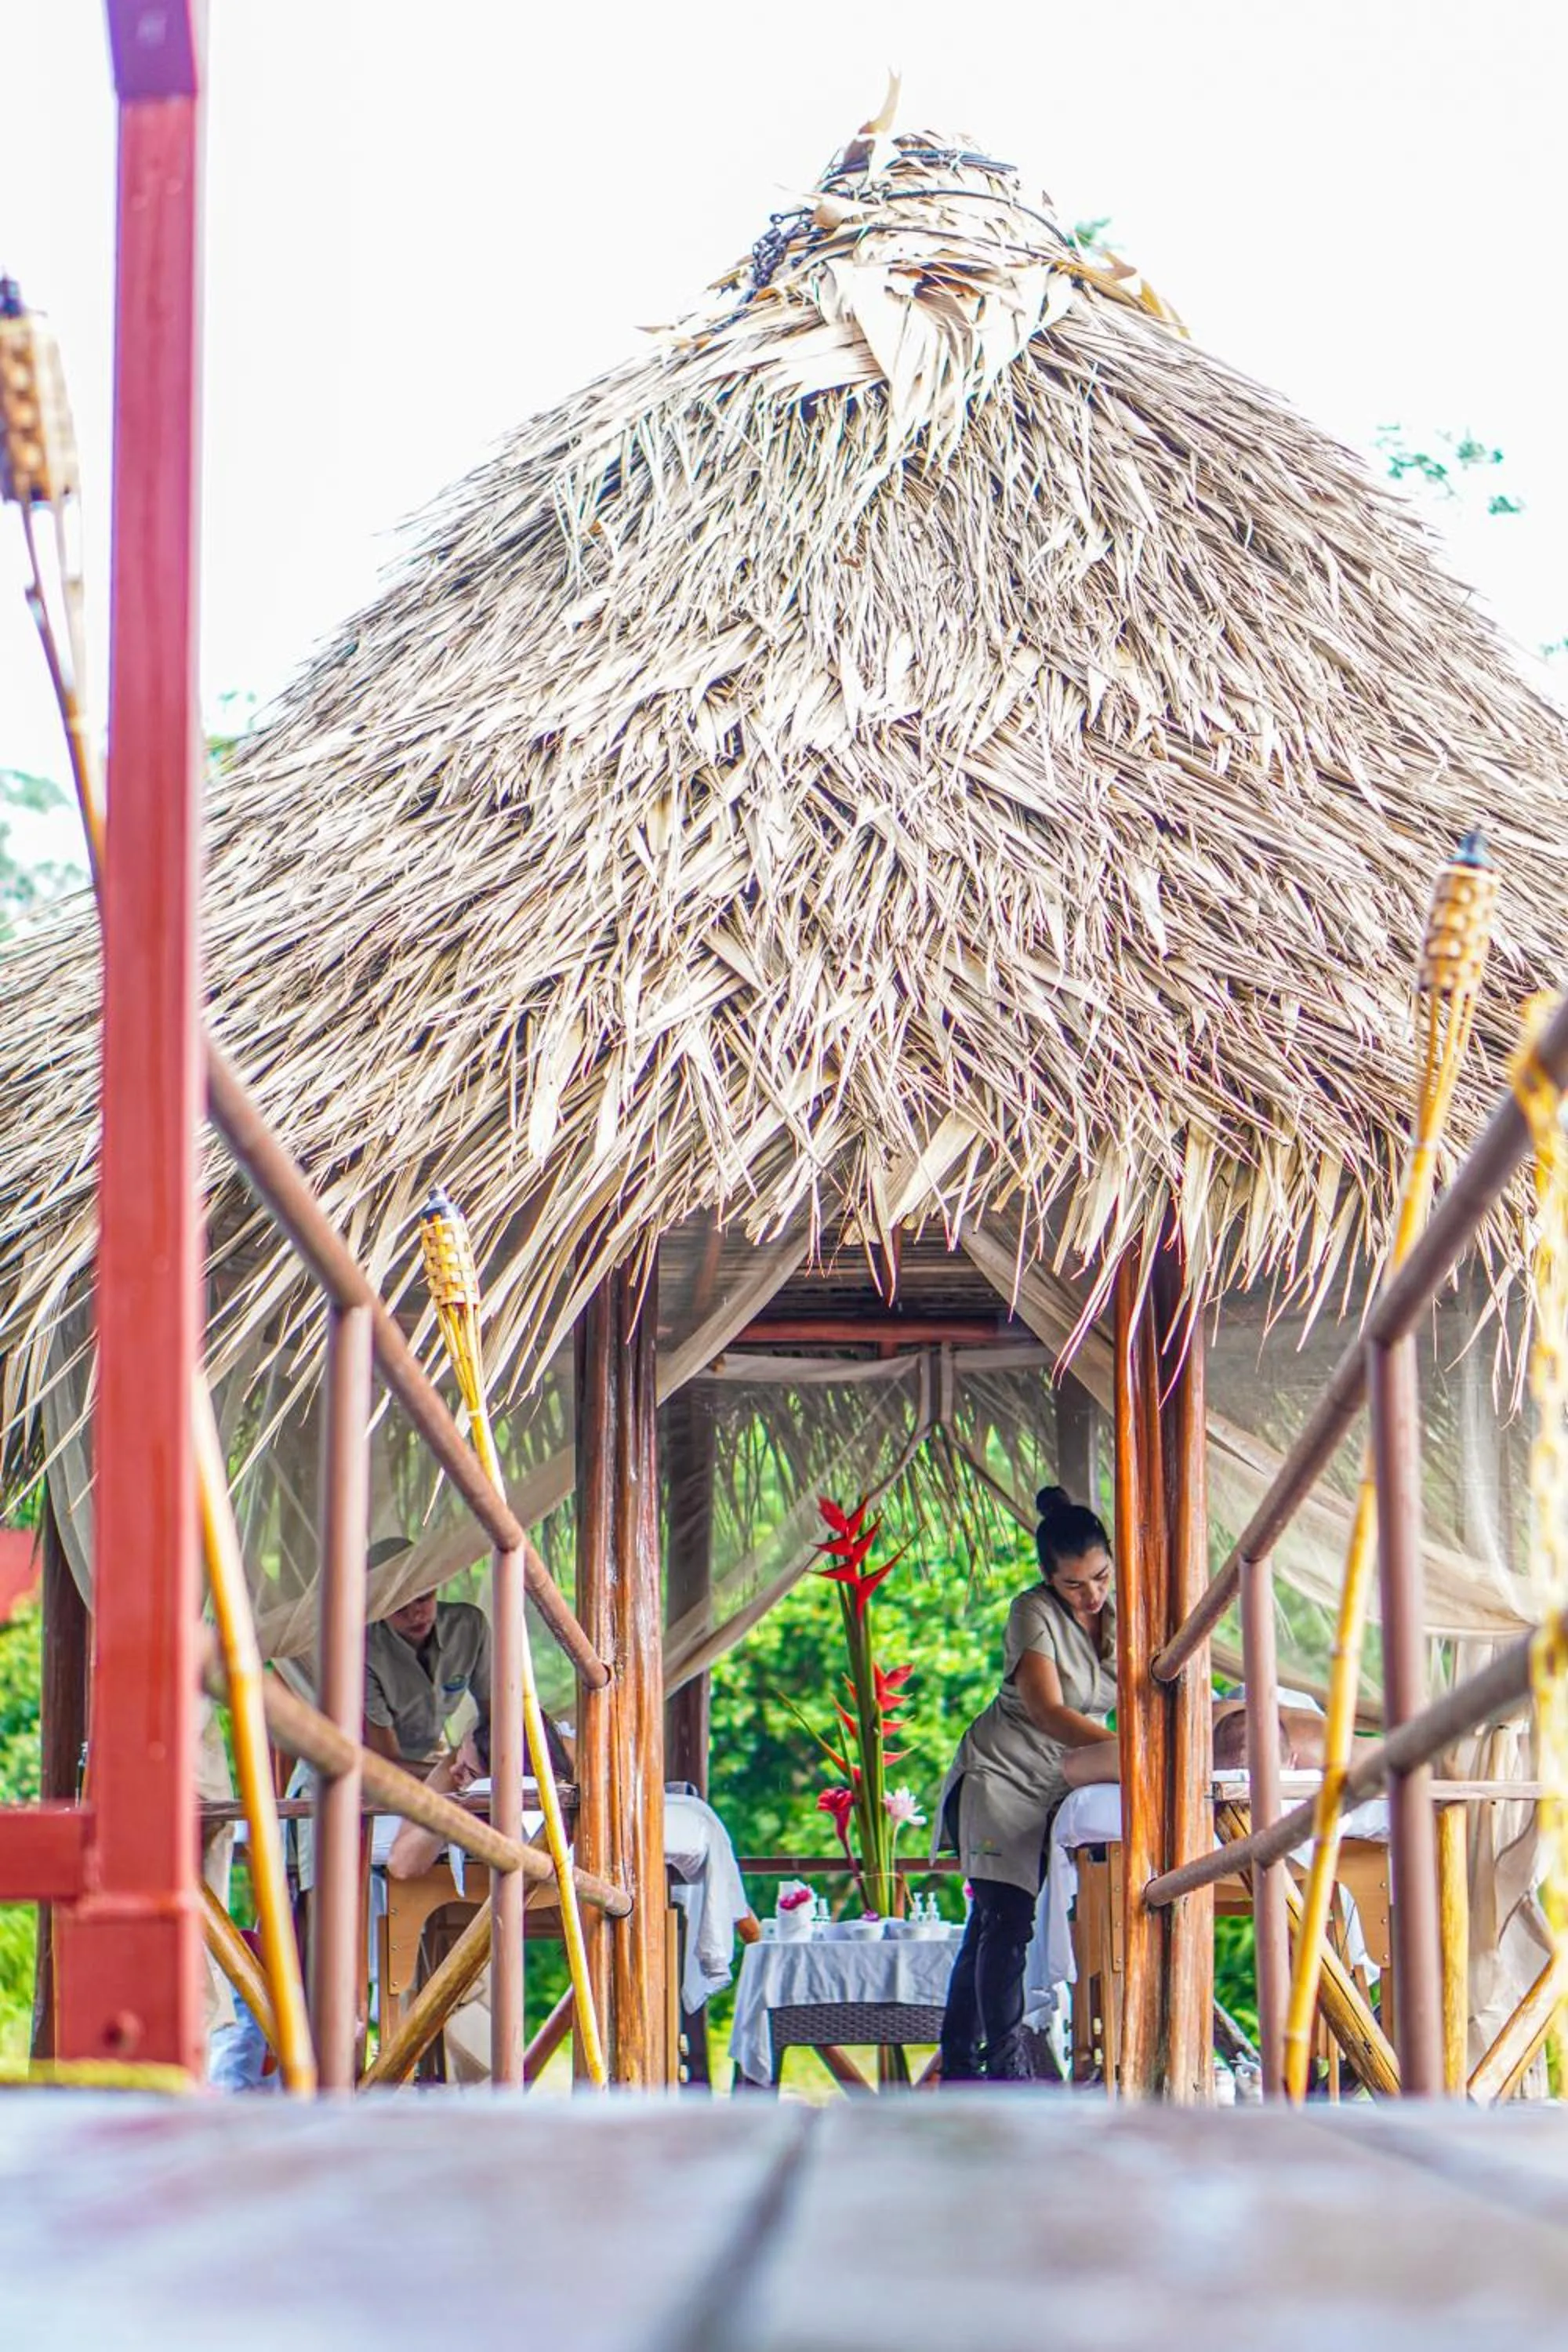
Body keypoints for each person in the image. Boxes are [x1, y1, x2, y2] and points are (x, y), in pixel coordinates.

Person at [936, 1485, 1116, 2084]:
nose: (1090, 1595)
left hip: (1057, 1777)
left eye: (1101, 1577)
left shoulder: (1121, 1614)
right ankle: (1005, 2071)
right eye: (1074, 1584)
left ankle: (962, 2071)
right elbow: (1046, 1711)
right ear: (1048, 1579)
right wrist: (1133, 1750)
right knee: (1007, 1923)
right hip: (1003, 1774)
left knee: (989, 1924)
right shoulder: (1030, 1612)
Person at [363, 1543, 492, 1772]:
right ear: (377, 1606)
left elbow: (495, 1720)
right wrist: (456, 1772)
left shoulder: (469, 1627)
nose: (415, 1614)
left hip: (426, 1767)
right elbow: (384, 1764)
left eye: (423, 1596)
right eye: (399, 1605)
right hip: (350, 1778)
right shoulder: (361, 1651)